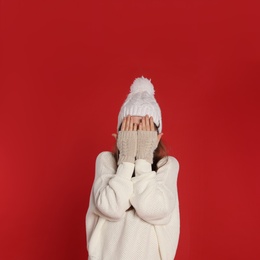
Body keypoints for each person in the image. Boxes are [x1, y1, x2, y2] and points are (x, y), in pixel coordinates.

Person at [85, 76, 180, 260]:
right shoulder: (105, 161)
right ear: (119, 135)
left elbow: (153, 209)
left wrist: (143, 159)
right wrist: (127, 160)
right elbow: (111, 208)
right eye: (130, 128)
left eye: (143, 129)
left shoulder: (167, 165)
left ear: (157, 137)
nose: (136, 135)